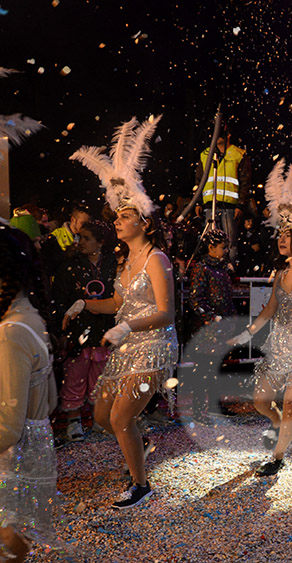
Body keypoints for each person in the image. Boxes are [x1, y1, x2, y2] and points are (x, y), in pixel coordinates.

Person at [68, 115, 178, 509]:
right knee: (101, 416)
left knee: (118, 419)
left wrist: (126, 326)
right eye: (116, 215)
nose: (117, 220)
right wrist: (84, 304)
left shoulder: (156, 258)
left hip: (156, 348)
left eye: (125, 215)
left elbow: (166, 313)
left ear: (145, 222)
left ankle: (141, 485)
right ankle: (140, 440)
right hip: (127, 346)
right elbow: (117, 304)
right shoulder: (123, 262)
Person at [228, 158, 292, 477]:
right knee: (261, 401)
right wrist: (246, 335)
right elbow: (269, 309)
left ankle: (277, 457)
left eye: (286, 235)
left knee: (291, 404)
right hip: (277, 346)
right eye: (279, 235)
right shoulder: (280, 272)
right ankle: (278, 425)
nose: (280, 239)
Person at [0, 225, 71, 563]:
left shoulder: (11, 330)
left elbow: (8, 427)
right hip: (32, 456)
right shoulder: (32, 318)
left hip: (12, 464)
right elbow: (52, 398)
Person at [51, 219, 117, 443]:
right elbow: (60, 298)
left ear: (101, 241)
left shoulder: (112, 263)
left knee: (100, 376)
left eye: (86, 238)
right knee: (75, 375)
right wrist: (63, 324)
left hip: (104, 330)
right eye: (79, 237)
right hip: (78, 331)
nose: (80, 242)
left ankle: (98, 418)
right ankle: (73, 420)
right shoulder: (70, 265)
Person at [186, 228, 238, 419]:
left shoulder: (222, 268)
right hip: (206, 330)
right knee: (202, 370)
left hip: (221, 327)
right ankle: (199, 410)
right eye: (223, 247)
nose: (226, 251)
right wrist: (211, 319)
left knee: (217, 368)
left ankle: (215, 405)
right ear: (211, 247)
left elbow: (226, 297)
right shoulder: (202, 268)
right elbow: (196, 300)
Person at [195, 120, 251, 257]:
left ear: (228, 135)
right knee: (211, 242)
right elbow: (199, 181)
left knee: (229, 242)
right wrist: (198, 202)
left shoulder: (239, 154)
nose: (217, 137)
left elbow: (246, 182)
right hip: (210, 206)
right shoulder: (205, 154)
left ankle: (228, 271)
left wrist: (241, 204)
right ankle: (213, 270)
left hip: (230, 207)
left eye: (220, 134)